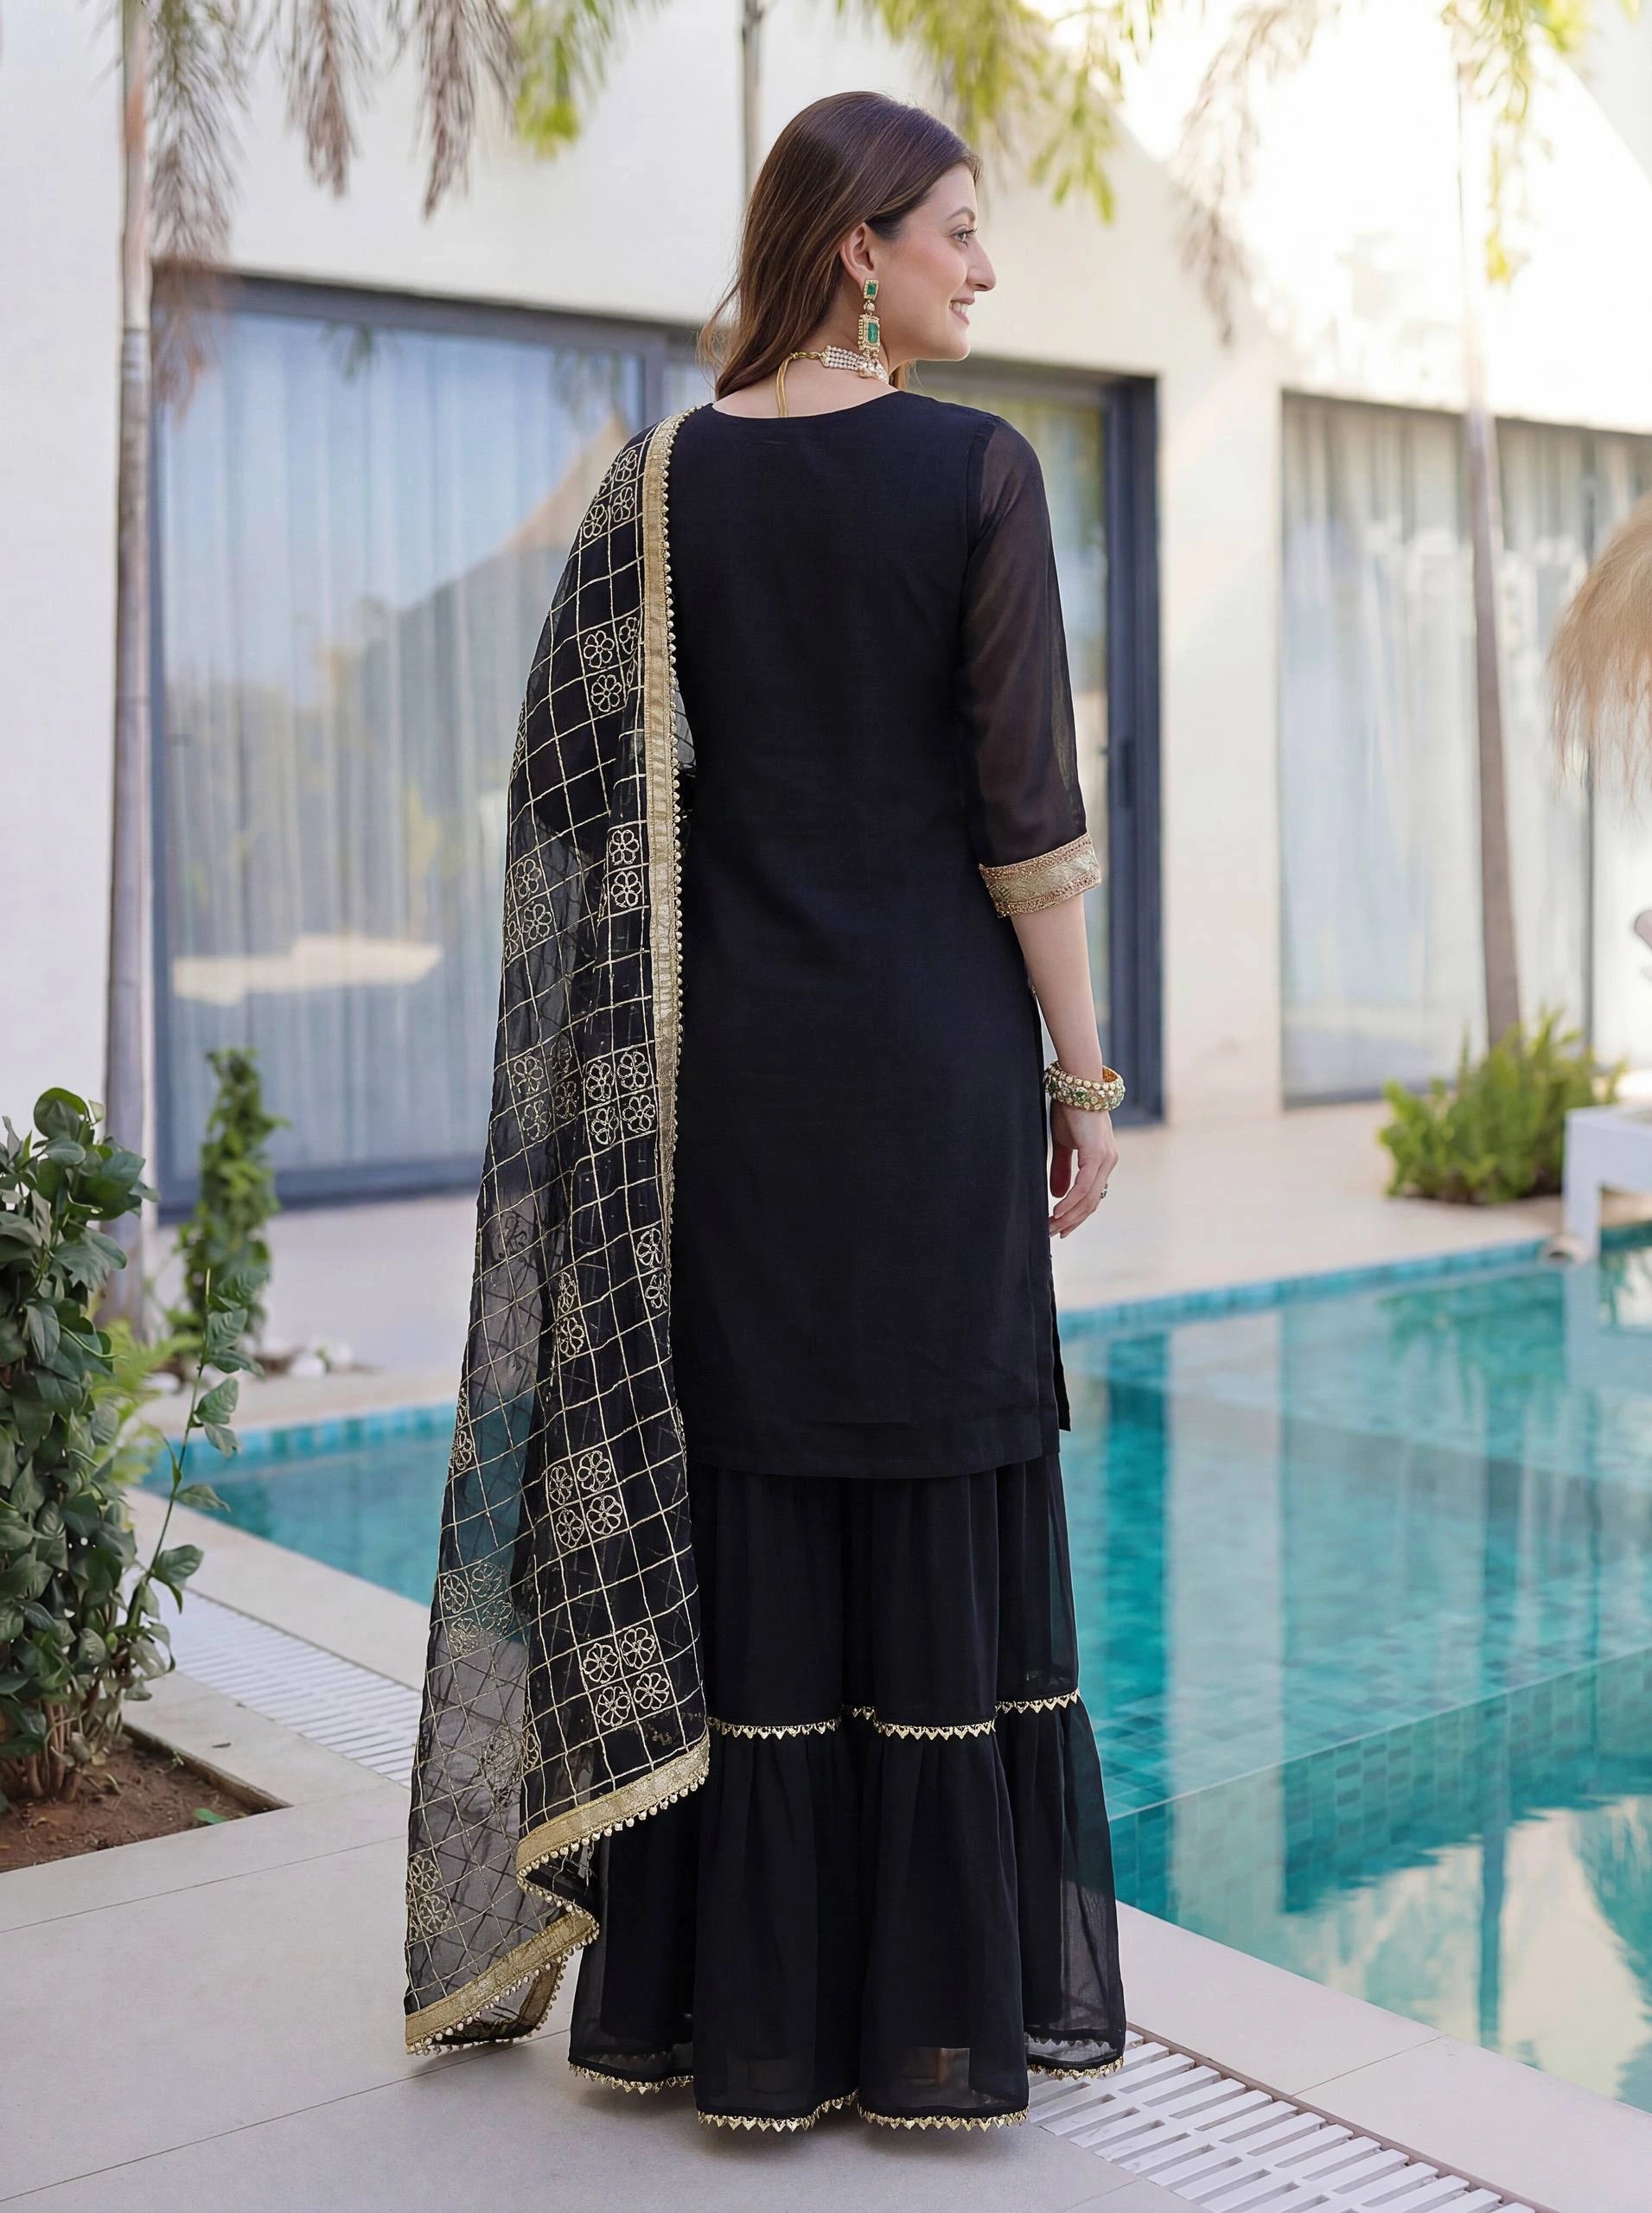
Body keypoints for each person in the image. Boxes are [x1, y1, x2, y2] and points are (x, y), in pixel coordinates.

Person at [402, 87, 1128, 2138]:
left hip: (726, 1098)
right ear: (858, 253)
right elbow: (1027, 827)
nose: (984, 270)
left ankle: (727, 2018)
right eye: (960, 234)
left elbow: (564, 809)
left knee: (760, 1500)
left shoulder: (655, 490)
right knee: (925, 1486)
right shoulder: (978, 474)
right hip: (930, 1082)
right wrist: (1081, 1074)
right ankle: (923, 2020)